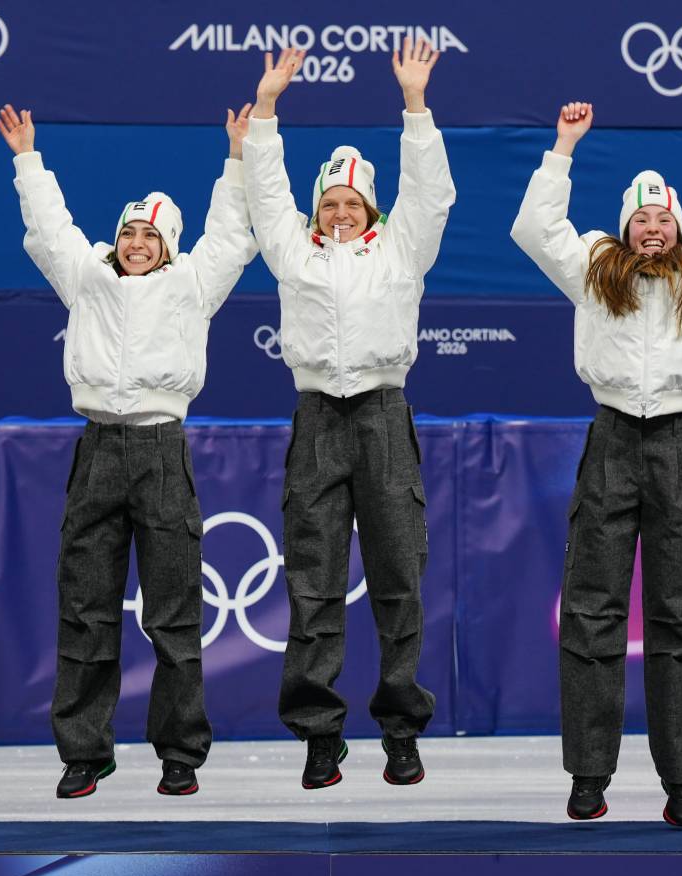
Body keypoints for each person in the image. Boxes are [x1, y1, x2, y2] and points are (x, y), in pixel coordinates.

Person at [511, 101, 682, 827]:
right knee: (593, 613)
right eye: (641, 219)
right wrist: (563, 147)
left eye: (662, 218)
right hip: (609, 441)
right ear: (625, 227)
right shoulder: (594, 271)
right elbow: (535, 229)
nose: (652, 229)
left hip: (676, 445)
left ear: (679, 227)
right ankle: (588, 774)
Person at [0, 103, 259, 799]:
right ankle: (85, 752)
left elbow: (233, 235)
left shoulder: (192, 285)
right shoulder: (86, 277)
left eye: (150, 236)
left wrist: (236, 158)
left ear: (170, 246)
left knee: (173, 611)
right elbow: (50, 230)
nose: (137, 243)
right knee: (86, 605)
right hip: (98, 451)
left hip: (160, 447)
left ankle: (179, 755)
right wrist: (28, 158)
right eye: (129, 233)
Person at [242, 41, 455, 790]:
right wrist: (266, 111)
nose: (338, 212)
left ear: (371, 209)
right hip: (316, 422)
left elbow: (430, 195)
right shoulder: (292, 253)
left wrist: (415, 105)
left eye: (351, 203)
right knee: (313, 582)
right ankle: (319, 735)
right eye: (328, 202)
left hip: (383, 417)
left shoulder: (402, 250)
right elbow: (264, 197)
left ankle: (401, 728)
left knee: (399, 577)